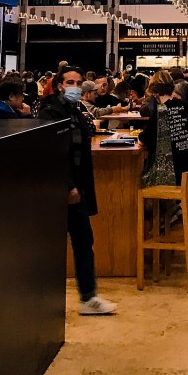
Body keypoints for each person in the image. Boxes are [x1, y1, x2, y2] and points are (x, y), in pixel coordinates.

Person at [37, 66, 117, 315]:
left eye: (78, 82)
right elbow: (53, 152)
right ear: (59, 84)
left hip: (77, 185)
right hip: (62, 188)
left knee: (84, 240)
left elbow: (86, 135)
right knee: (62, 242)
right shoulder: (52, 112)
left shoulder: (74, 110)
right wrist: (68, 185)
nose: (74, 86)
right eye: (69, 82)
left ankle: (88, 297)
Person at [139, 70, 188, 182]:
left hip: (169, 174)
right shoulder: (186, 106)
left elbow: (143, 140)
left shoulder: (160, 112)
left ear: (154, 91)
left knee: (141, 178)